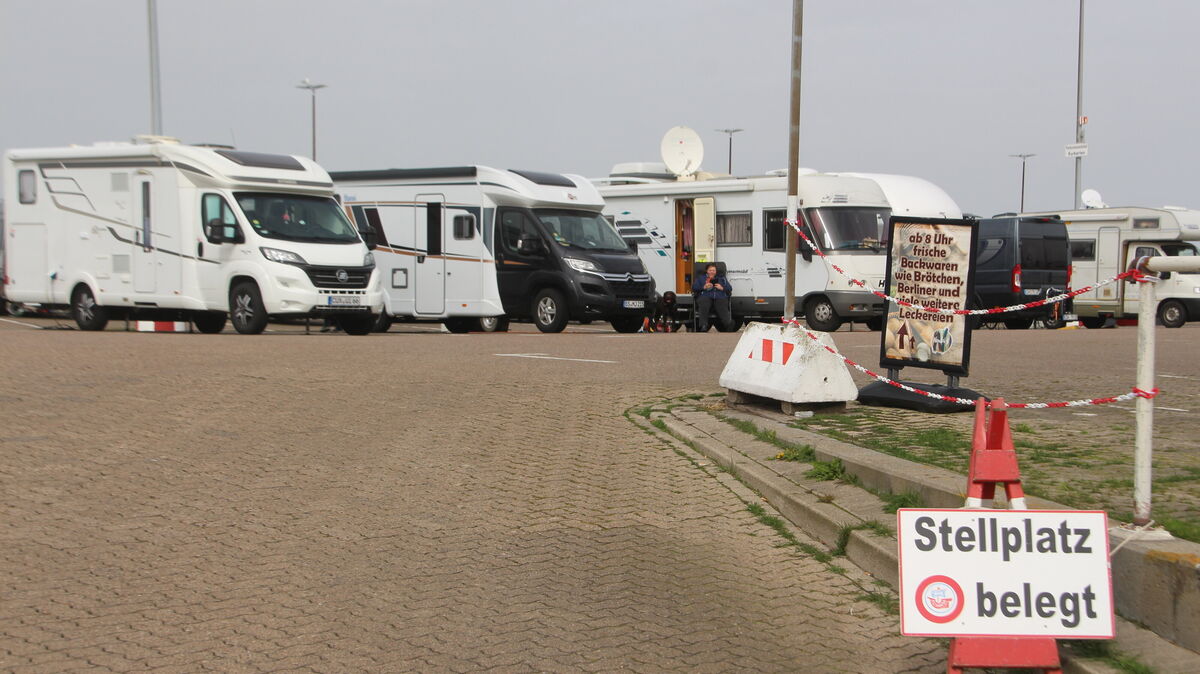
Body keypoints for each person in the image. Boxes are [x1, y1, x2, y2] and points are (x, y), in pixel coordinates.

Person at [692, 263, 733, 332]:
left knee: (722, 305)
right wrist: (703, 287)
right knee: (704, 304)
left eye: (713, 270)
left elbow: (729, 288)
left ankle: (728, 324)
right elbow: (694, 287)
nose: (712, 272)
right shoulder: (701, 278)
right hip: (705, 295)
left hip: (719, 296)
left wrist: (722, 288)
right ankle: (703, 325)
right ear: (707, 271)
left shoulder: (722, 278)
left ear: (716, 271)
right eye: (710, 270)